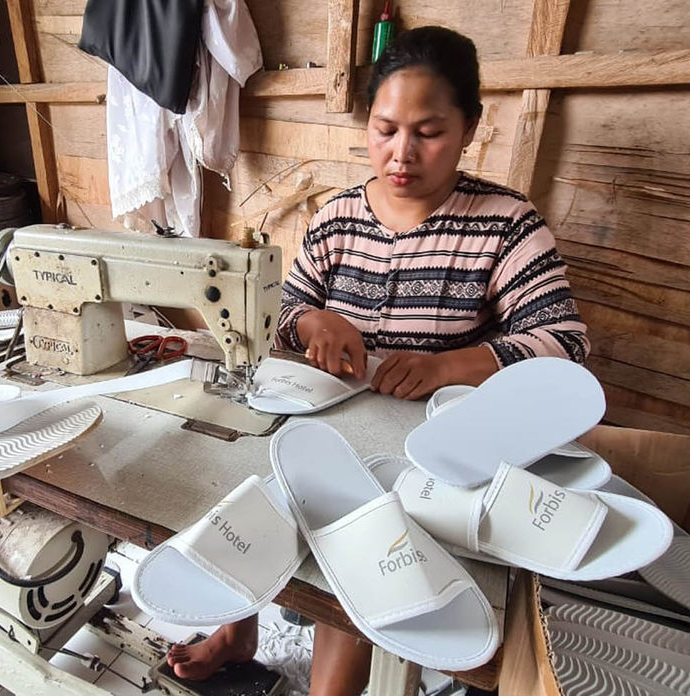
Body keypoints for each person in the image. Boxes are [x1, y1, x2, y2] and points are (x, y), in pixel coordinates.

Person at [166, 25, 589, 693]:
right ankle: (238, 628)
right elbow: (272, 313)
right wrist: (312, 317)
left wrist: (449, 365)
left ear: (470, 127)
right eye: (386, 128)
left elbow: (564, 344)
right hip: (329, 424)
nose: (401, 153)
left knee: (358, 535)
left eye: (428, 132)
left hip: (427, 450)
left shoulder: (505, 223)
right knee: (245, 475)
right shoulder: (337, 219)